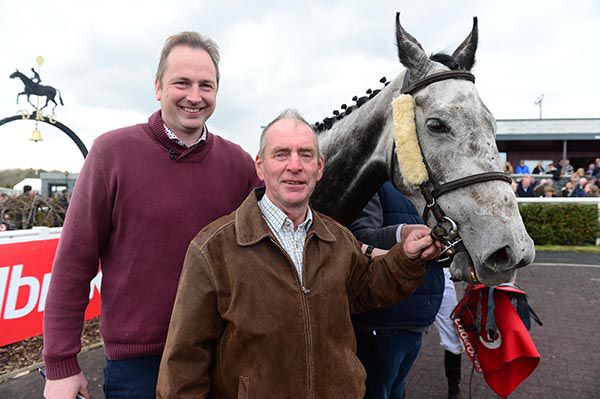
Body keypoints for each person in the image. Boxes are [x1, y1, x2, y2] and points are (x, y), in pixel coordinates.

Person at [156, 109, 442, 399]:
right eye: (281, 154)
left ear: (319, 168)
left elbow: (367, 289)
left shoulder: (338, 238)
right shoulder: (214, 249)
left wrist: (405, 257)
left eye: (305, 155)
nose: (295, 166)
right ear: (260, 166)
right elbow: (184, 362)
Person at [42, 32, 261, 399]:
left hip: (217, 356)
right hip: (138, 367)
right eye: (182, 83)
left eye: (206, 85)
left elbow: (287, 225)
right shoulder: (111, 154)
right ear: (158, 87)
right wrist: (61, 364)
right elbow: (74, 262)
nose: (195, 96)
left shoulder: (238, 164)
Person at [350, 181, 463, 399]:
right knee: (377, 391)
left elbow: (430, 253)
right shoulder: (373, 183)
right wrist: (403, 234)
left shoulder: (428, 187)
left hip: (417, 317)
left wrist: (446, 250)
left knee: (396, 390)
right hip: (384, 318)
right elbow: (357, 239)